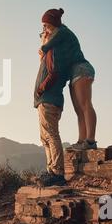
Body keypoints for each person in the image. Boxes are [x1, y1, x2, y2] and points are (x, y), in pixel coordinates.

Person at [39, 8, 98, 150]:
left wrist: (44, 41)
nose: (45, 29)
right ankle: (82, 140)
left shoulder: (62, 32)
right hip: (74, 73)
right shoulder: (59, 35)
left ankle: (90, 141)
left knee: (85, 104)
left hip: (81, 68)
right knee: (79, 109)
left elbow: (44, 48)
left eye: (46, 25)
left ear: (53, 23)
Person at [33, 22, 68, 186]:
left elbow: (54, 73)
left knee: (51, 135)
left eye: (43, 34)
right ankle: (51, 171)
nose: (41, 37)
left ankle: (58, 173)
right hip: (44, 100)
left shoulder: (52, 52)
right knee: (45, 138)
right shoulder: (47, 55)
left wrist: (41, 88)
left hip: (48, 99)